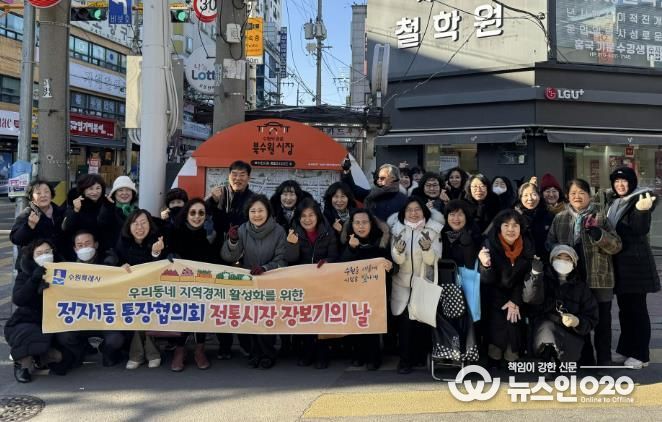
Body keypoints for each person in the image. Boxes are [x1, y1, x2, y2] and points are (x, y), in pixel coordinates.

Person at [547, 178, 622, 366]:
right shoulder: (560, 218)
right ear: (567, 196)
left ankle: (604, 360)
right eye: (573, 193)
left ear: (589, 195)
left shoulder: (600, 217)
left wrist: (599, 234)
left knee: (603, 322)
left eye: (582, 193)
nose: (577, 197)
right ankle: (585, 358)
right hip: (573, 281)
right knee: (578, 319)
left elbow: (616, 245)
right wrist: (561, 251)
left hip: (599, 278)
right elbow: (549, 243)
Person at [221, 195, 288, 369]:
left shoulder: (279, 231)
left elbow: (282, 259)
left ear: (268, 212)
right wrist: (233, 241)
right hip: (248, 281)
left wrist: (265, 268)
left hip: (270, 280)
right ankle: (254, 353)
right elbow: (229, 257)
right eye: (253, 211)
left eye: (260, 210)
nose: (257, 215)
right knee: (250, 318)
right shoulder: (243, 229)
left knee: (266, 318)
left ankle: (268, 354)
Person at [606, 167, 660, 369]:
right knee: (625, 311)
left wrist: (642, 211)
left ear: (632, 182)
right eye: (616, 181)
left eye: (624, 181)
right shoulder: (615, 202)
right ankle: (626, 348)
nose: (620, 185)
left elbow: (640, 229)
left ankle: (641, 354)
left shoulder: (640, 200)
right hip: (620, 265)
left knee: (637, 311)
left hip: (636, 266)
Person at [388, 197, 444, 374]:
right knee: (405, 323)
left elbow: (434, 260)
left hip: (423, 281)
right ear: (404, 212)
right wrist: (398, 251)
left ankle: (420, 357)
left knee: (421, 321)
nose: (413, 213)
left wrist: (427, 249)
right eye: (409, 210)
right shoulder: (397, 229)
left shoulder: (433, 230)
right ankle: (405, 361)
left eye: (417, 209)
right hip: (402, 282)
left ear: (424, 211)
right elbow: (396, 260)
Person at [55, 230, 125, 368]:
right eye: (80, 245)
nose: (84, 248)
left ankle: (107, 352)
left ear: (96, 245)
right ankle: (81, 350)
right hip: (79, 318)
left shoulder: (110, 263)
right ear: (75, 249)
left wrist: (120, 271)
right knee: (64, 336)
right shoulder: (67, 269)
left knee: (116, 339)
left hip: (105, 318)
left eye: (87, 243)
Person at [206, 160, 254, 359]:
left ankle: (245, 343)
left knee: (243, 302)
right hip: (218, 256)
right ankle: (224, 345)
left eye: (242, 175)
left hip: (244, 256)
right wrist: (211, 200)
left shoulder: (253, 199)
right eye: (234, 174)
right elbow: (202, 214)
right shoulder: (219, 195)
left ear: (249, 177)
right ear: (228, 176)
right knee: (221, 302)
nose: (238, 178)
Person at [4, 240, 71, 382]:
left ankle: (40, 358)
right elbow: (18, 299)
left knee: (64, 359)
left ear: (53, 252)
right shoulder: (25, 274)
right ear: (32, 257)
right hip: (28, 320)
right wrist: (34, 280)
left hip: (56, 320)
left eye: (47, 252)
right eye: (39, 253)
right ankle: (22, 364)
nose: (44, 256)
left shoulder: (64, 273)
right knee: (32, 335)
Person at [285, 198, 339, 369]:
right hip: (303, 283)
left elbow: (334, 256)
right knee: (306, 318)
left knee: (322, 318)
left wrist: (327, 262)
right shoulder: (294, 232)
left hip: (324, 283)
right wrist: (291, 245)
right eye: (303, 216)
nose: (307, 219)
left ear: (317, 216)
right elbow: (290, 260)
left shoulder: (328, 232)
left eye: (311, 215)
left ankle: (322, 354)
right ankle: (307, 352)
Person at [522, 245, 599, 365]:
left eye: (567, 259)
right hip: (544, 328)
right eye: (559, 258)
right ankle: (547, 359)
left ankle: (561, 360)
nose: (563, 261)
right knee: (547, 330)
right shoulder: (544, 279)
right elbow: (530, 299)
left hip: (570, 333)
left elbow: (591, 316)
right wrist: (535, 275)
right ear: (552, 260)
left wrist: (577, 322)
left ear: (574, 263)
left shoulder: (581, 287)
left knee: (570, 356)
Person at [168, 199, 220, 371]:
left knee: (201, 313)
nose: (197, 216)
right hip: (181, 283)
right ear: (186, 214)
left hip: (204, 282)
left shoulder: (211, 232)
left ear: (206, 216)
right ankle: (179, 350)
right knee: (183, 314)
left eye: (201, 213)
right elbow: (168, 251)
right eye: (193, 212)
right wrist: (170, 255)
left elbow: (216, 258)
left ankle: (200, 350)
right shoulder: (175, 230)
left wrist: (210, 237)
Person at [111, 209, 166, 370]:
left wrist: (156, 252)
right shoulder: (122, 241)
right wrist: (120, 266)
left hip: (154, 291)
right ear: (129, 226)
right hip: (128, 291)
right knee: (136, 314)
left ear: (150, 224)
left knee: (146, 313)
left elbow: (162, 266)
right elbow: (114, 260)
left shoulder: (157, 240)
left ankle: (146, 354)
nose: (139, 227)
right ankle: (142, 354)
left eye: (143, 223)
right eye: (135, 223)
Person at [479, 209, 534, 367]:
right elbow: (488, 280)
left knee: (514, 317)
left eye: (515, 225)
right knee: (498, 317)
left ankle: (513, 353)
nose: (511, 229)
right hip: (493, 295)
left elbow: (526, 278)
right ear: (499, 227)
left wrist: (515, 301)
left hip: (518, 294)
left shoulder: (527, 245)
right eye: (506, 225)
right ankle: (494, 353)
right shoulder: (489, 244)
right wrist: (486, 265)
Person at [339, 209, 392, 370]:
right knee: (355, 323)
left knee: (372, 325)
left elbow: (393, 265)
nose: (361, 226)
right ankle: (357, 355)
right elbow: (341, 266)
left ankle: (374, 357)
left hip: (375, 293)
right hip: (353, 292)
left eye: (364, 222)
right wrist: (351, 248)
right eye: (357, 222)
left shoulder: (381, 241)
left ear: (371, 224)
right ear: (352, 225)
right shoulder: (346, 240)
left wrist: (390, 266)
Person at [11, 180, 66, 259]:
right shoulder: (27, 214)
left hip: (57, 261)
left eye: (46, 192)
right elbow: (16, 239)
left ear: (51, 194)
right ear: (32, 197)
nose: (43, 195)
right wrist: (29, 226)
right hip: (32, 262)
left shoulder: (61, 212)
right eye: (38, 193)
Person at [341, 162, 408, 222]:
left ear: (393, 178)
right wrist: (346, 171)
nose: (379, 180)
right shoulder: (372, 195)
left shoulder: (404, 200)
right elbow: (354, 190)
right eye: (379, 177)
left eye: (383, 177)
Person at [61, 174, 107, 259]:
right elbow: (66, 228)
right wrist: (76, 210)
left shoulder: (106, 204)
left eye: (98, 188)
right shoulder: (75, 205)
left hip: (101, 252)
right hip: (78, 253)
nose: (95, 192)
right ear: (84, 190)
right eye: (90, 189)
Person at [97, 175, 138, 254]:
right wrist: (107, 205)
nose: (124, 193)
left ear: (132, 193)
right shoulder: (109, 209)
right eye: (120, 190)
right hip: (115, 255)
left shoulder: (136, 210)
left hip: (134, 253)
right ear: (114, 194)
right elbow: (102, 222)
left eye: (128, 190)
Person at [514, 182, 555, 261]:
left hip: (545, 260)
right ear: (520, 198)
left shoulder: (549, 216)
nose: (530, 198)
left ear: (539, 196)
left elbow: (554, 240)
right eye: (525, 195)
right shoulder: (514, 217)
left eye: (533, 194)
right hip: (520, 261)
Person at [441, 200, 481, 269]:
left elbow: (470, 264)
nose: (456, 219)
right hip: (444, 274)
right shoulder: (441, 233)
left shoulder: (474, 234)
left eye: (460, 215)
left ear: (466, 217)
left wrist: (467, 243)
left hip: (465, 274)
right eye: (452, 214)